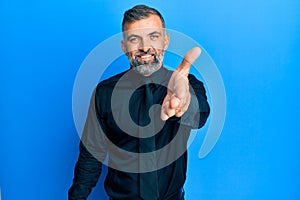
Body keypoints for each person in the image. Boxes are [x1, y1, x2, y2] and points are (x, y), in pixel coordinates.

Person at [68, 4, 210, 200]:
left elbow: (200, 115)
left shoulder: (187, 85)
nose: (145, 47)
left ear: (165, 41)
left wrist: (183, 106)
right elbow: (92, 154)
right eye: (135, 39)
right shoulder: (105, 93)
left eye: (153, 36)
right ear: (124, 46)